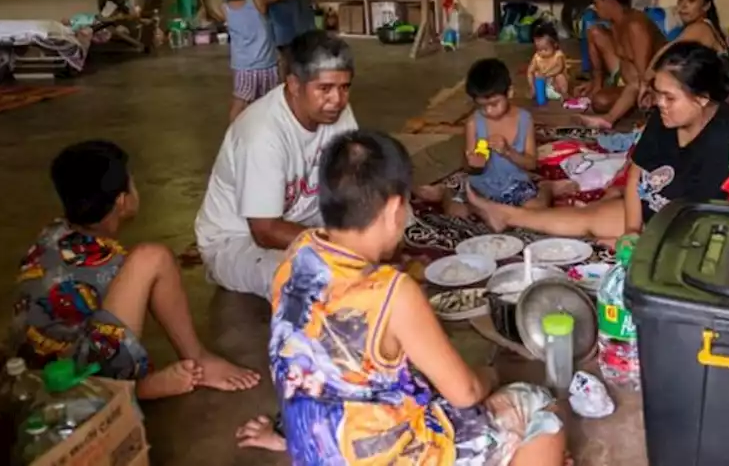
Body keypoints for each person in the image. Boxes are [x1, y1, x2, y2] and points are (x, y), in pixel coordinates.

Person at [235, 130, 568, 465]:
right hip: (387, 456)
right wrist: (491, 375)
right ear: (395, 209)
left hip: (316, 445)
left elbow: (321, 356)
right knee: (539, 407)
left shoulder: (299, 253)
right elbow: (465, 393)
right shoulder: (390, 291)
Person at [12, 141, 259, 400]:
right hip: (75, 383)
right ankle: (166, 375)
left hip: (31, 369)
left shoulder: (51, 235)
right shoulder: (111, 264)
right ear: (122, 201)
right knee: (153, 258)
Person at [471, 42, 729, 240]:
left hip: (690, 233)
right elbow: (637, 172)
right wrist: (631, 232)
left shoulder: (725, 143)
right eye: (658, 94)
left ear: (703, 98)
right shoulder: (665, 118)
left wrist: (641, 243)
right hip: (656, 214)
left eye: (670, 98)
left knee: (599, 224)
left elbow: (701, 226)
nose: (660, 104)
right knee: (589, 216)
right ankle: (506, 215)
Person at [194, 31, 358, 300]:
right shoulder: (261, 134)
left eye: (345, 87)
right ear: (294, 85)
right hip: (239, 243)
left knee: (391, 218)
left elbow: (350, 177)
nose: (337, 100)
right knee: (317, 282)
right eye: (325, 88)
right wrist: (340, 244)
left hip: (302, 221)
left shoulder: (335, 111)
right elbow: (265, 231)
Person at [463, 58, 573, 212]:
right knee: (458, 210)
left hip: (515, 184)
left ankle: (546, 189)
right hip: (483, 184)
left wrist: (508, 152)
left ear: (510, 92)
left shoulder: (524, 119)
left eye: (494, 104)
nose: (488, 111)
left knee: (536, 208)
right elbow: (469, 166)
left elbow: (531, 164)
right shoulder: (473, 122)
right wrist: (474, 165)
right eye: (481, 106)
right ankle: (449, 195)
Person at [574, 0, 667, 129]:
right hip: (625, 77)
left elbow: (644, 78)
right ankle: (598, 85)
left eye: (596, 2)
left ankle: (622, 113)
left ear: (610, 1)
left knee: (600, 101)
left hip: (644, 86)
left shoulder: (636, 26)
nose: (593, 7)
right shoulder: (616, 21)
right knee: (594, 32)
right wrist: (595, 83)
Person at [212, 0, 289, 122]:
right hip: (267, 65)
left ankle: (236, 136)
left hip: (243, 68)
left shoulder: (223, 8)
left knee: (240, 102)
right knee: (272, 101)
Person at [640, 0, 729, 105]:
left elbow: (667, 54)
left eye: (691, 0)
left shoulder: (701, 28)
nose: (683, 6)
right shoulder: (703, 27)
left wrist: (646, 81)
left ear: (706, 6)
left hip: (714, 99)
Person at [527, 21, 570, 101]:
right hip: (543, 85)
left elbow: (559, 68)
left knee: (560, 77)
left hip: (555, 85)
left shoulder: (558, 55)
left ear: (555, 45)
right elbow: (530, 71)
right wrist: (532, 85)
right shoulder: (537, 57)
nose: (542, 53)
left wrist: (547, 75)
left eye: (545, 49)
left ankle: (564, 93)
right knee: (535, 73)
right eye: (539, 49)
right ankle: (535, 92)